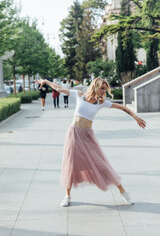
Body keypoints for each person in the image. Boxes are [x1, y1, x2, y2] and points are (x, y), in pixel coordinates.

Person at [36, 77, 146, 207]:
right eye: (102, 88)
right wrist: (46, 82)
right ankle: (67, 195)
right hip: (73, 133)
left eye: (105, 89)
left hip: (87, 137)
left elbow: (121, 106)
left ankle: (123, 192)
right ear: (95, 86)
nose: (104, 91)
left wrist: (136, 117)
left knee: (102, 164)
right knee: (70, 164)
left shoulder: (101, 103)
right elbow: (59, 88)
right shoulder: (79, 95)